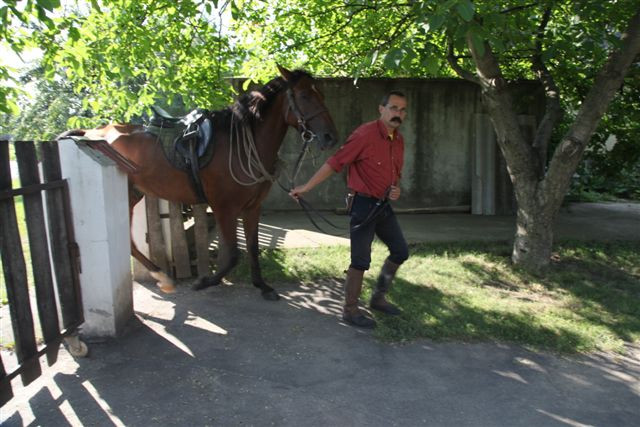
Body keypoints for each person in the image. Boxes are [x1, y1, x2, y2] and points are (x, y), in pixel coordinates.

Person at [289, 91, 410, 328]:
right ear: (381, 109)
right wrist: (306, 187)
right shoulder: (364, 134)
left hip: (383, 205)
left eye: (402, 110)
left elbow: (394, 174)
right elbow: (335, 163)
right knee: (361, 260)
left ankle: (378, 298)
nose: (398, 114)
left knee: (400, 251)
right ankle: (350, 310)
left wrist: (396, 189)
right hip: (363, 205)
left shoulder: (399, 140)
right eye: (394, 108)